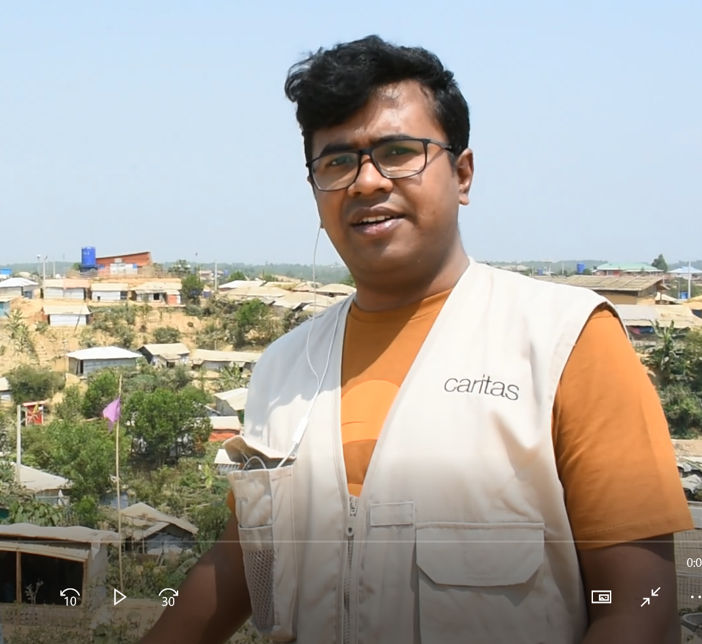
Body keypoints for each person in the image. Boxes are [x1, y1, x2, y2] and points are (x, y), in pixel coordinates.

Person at [139, 35, 692, 644]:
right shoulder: (283, 369)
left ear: (462, 173)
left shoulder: (565, 341)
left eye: (399, 152)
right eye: (337, 161)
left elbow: (642, 605)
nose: (367, 182)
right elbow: (243, 563)